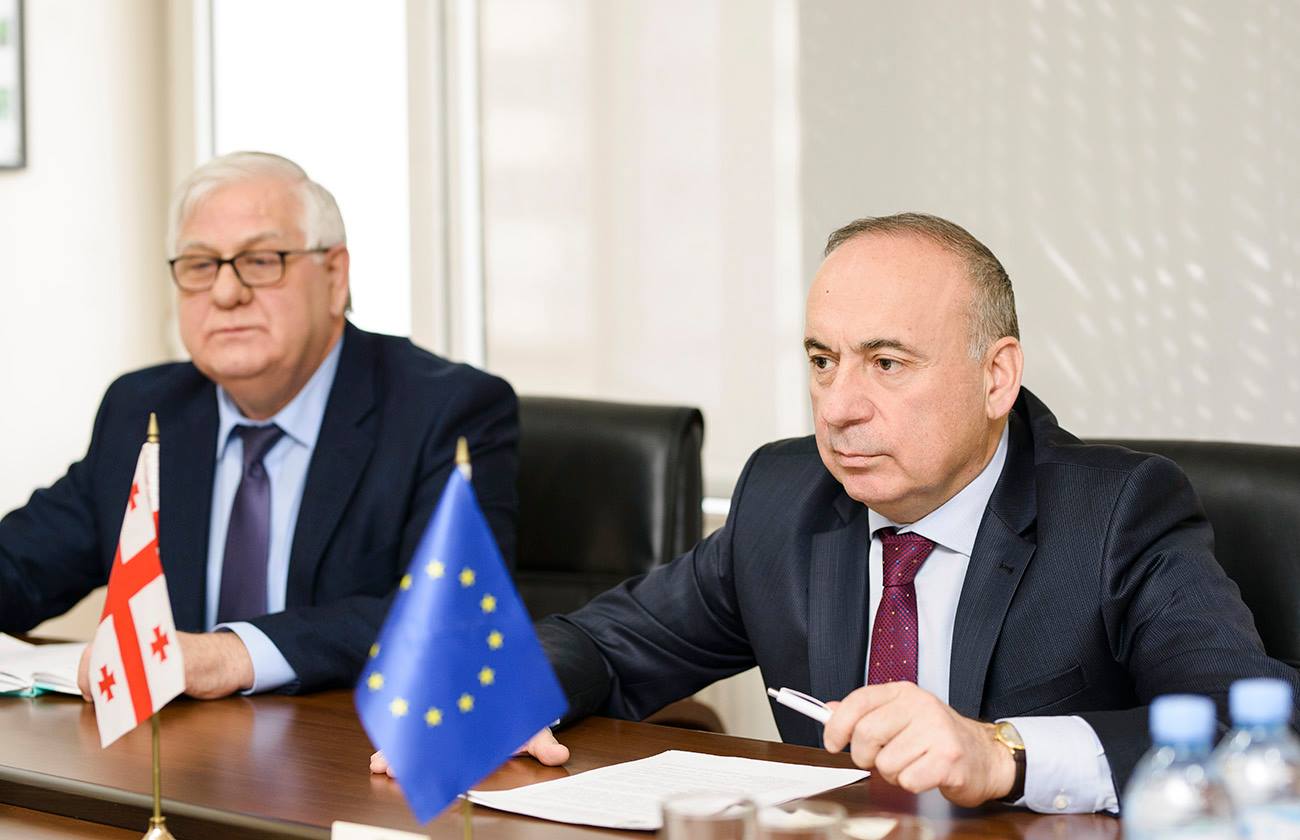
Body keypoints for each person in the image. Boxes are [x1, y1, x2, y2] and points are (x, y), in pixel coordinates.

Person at [370, 212, 1298, 813]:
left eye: (886, 363)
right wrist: (499, 695)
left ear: (996, 376)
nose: (840, 407)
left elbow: (1247, 727)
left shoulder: (1116, 513)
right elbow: (611, 643)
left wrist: (1005, 754)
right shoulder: (789, 497)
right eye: (823, 361)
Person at [0, 151, 519, 699]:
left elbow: (452, 615)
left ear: (335, 276)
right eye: (200, 265)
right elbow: (21, 567)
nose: (227, 294)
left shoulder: (447, 410)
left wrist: (233, 654)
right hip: (180, 745)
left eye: (261, 260)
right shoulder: (144, 410)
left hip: (348, 744)